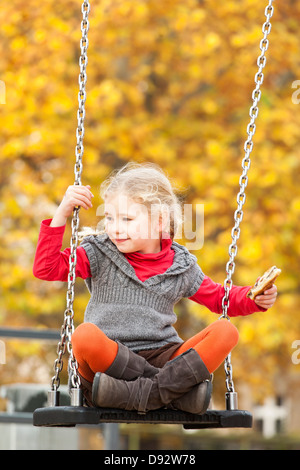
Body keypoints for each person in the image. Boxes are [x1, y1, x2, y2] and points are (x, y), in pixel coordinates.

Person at [33, 162, 278, 414]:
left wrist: (254, 299)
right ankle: (170, 393)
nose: (115, 227)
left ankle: (139, 395)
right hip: (109, 362)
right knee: (84, 336)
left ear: (160, 221)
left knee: (226, 332)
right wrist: (62, 213)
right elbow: (47, 268)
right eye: (108, 217)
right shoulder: (98, 252)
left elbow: (219, 298)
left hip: (162, 357)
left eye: (126, 219)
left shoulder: (180, 266)